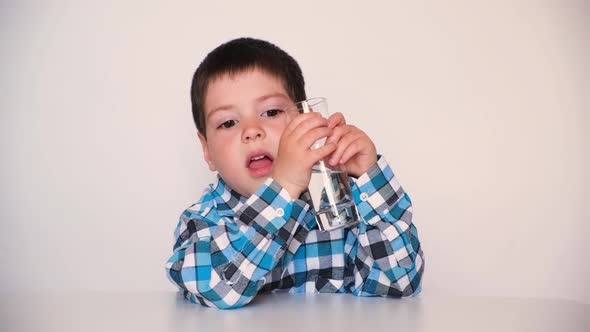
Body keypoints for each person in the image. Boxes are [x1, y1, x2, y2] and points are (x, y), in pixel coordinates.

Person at [166, 37, 424, 309]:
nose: (252, 131)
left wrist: (368, 176)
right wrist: (283, 186)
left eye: (271, 112)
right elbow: (217, 288)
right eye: (228, 122)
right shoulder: (203, 221)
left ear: (306, 121)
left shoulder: (338, 209)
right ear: (207, 151)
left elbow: (401, 283)